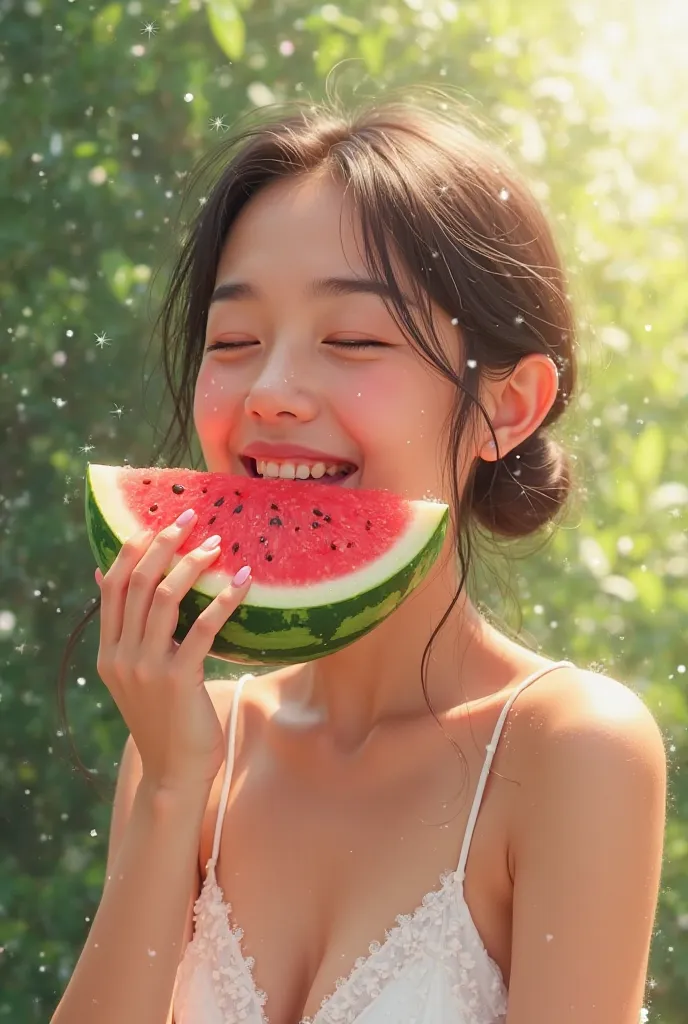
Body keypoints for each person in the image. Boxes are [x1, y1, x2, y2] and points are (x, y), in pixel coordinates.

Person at [52, 90, 667, 1024]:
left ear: (507, 406)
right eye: (234, 341)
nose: (272, 392)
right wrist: (173, 790)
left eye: (353, 339)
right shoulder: (187, 745)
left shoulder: (567, 749)